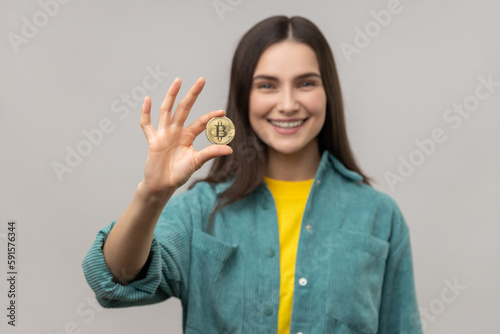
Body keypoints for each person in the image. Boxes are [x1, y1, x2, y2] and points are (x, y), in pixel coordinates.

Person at [82, 15, 423, 334]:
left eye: (305, 83)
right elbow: (114, 280)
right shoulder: (201, 210)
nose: (288, 104)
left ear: (327, 92)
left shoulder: (380, 216)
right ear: (243, 97)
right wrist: (152, 194)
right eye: (267, 86)